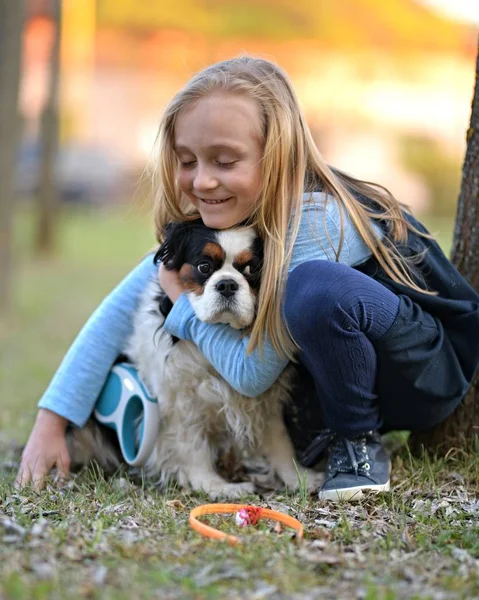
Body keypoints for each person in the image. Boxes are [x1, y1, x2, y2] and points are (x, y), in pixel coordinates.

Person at [16, 56, 479, 500]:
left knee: (313, 290)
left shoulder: (315, 221)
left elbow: (252, 376)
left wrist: (182, 308)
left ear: (277, 156)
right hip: (347, 375)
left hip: (427, 370)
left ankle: (357, 446)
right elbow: (119, 309)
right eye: (187, 160)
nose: (202, 181)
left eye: (224, 160)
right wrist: (50, 423)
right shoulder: (224, 219)